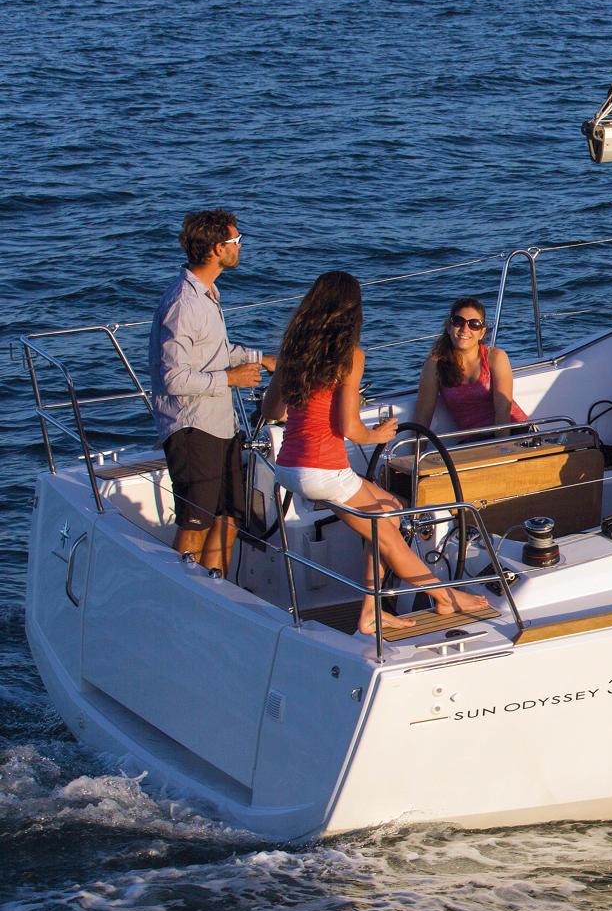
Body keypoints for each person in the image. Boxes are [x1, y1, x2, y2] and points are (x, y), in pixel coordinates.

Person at [262, 271, 496, 636]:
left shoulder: (292, 351)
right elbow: (349, 429)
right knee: (385, 532)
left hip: (288, 467)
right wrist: (380, 433)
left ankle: (371, 611)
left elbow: (272, 412)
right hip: (323, 470)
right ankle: (446, 595)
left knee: (390, 510)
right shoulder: (350, 356)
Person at [148, 209, 276, 579]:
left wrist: (262, 359)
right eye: (237, 241)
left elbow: (214, 353)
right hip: (193, 429)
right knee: (196, 523)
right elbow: (173, 378)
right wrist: (230, 379)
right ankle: (178, 597)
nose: (241, 246)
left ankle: (216, 591)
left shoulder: (206, 295)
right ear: (218, 248)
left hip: (220, 425)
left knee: (228, 517)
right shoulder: (184, 304)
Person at [411, 296, 528, 432]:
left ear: (482, 332)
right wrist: (418, 452)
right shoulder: (434, 365)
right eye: (458, 322)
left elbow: (504, 409)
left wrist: (502, 448)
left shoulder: (495, 357)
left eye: (474, 324)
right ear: (449, 327)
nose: (465, 329)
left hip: (514, 431)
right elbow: (423, 417)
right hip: (474, 441)